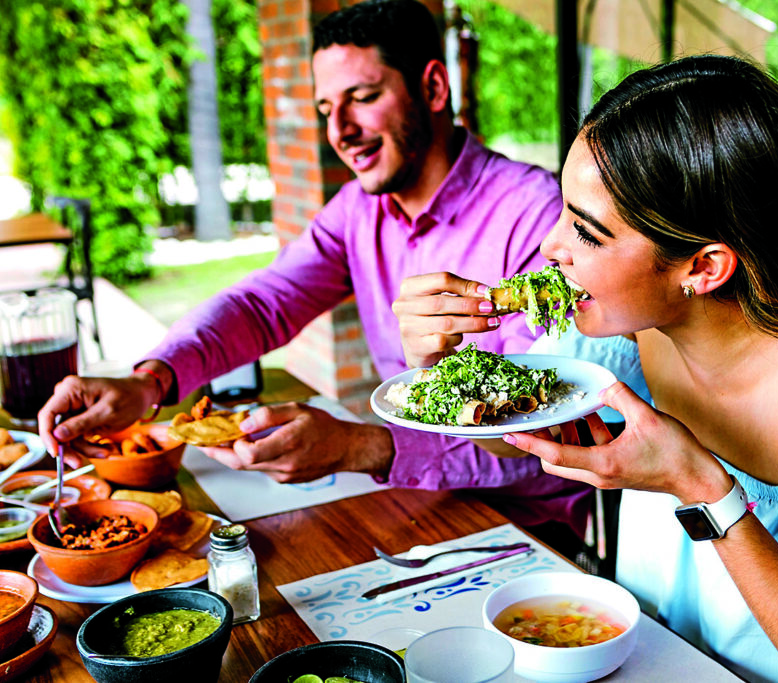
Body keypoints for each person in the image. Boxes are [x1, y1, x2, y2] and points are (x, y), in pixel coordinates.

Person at [393, 55, 778, 682]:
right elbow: (532, 442)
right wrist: (443, 375)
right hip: (662, 659)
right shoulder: (636, 318)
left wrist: (703, 488)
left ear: (704, 268)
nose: (550, 248)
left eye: (587, 231)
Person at [37, 0, 593, 551]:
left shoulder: (536, 215)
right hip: (410, 504)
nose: (340, 131)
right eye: (327, 108)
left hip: (529, 535)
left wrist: (361, 448)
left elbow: (547, 438)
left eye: (363, 98)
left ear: (434, 89)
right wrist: (151, 381)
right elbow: (265, 303)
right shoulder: (357, 209)